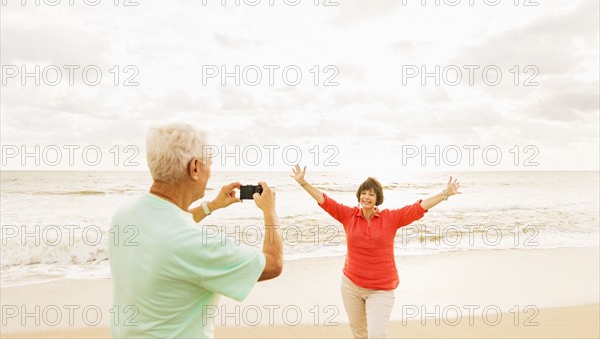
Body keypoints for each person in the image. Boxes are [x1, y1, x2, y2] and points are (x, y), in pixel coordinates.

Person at [109, 123, 283, 338]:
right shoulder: (197, 244)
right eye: (209, 163)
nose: (210, 171)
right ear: (194, 168)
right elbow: (273, 264)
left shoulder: (124, 215)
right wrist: (270, 212)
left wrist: (213, 205)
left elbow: (169, 228)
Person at [291, 164, 460, 339]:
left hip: (381, 289)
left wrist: (445, 194)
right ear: (359, 196)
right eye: (363, 193)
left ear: (377, 198)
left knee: (377, 335)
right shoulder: (347, 215)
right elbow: (325, 201)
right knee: (359, 334)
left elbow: (417, 208)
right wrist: (303, 183)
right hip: (351, 285)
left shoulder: (390, 218)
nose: (366, 197)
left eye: (371, 194)